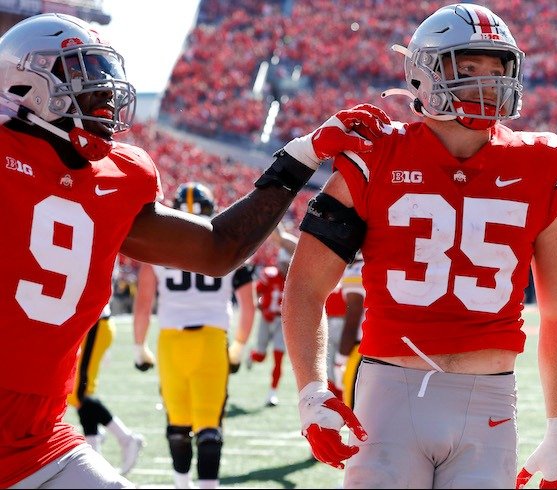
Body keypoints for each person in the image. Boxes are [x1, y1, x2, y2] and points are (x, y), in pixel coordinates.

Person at [0, 13, 384, 488]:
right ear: (24, 86)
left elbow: (217, 248)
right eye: (84, 82)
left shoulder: (117, 180)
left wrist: (301, 157)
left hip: (40, 439)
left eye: (104, 82)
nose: (104, 98)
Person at [281, 4, 557, 489]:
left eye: (496, 69)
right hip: (388, 396)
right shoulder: (376, 152)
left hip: (488, 399)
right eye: (468, 68)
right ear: (423, 73)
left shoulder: (543, 162)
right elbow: (305, 286)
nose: (487, 82)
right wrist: (312, 390)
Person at [132, 182, 256, 489]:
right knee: (209, 427)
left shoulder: (156, 250)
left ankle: (181, 484)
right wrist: (239, 345)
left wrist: (139, 348)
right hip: (212, 340)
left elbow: (144, 305)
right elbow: (248, 307)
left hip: (171, 342)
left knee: (177, 425)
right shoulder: (228, 247)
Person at [67, 302, 145, 476]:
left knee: (79, 394)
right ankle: (94, 453)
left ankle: (126, 438)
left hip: (95, 323)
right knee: (79, 393)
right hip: (91, 324)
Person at [250, 248, 291, 407]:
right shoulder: (269, 274)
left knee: (278, 358)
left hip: (283, 322)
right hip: (266, 320)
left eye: (288, 264)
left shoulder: (295, 279)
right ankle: (252, 355)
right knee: (260, 357)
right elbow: (255, 294)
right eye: (283, 263)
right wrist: (262, 308)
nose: (285, 267)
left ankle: (272, 393)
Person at [333, 253, 366, 408]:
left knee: (355, 410)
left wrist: (340, 361)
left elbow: (353, 320)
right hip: (382, 346)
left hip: (363, 350)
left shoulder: (357, 269)